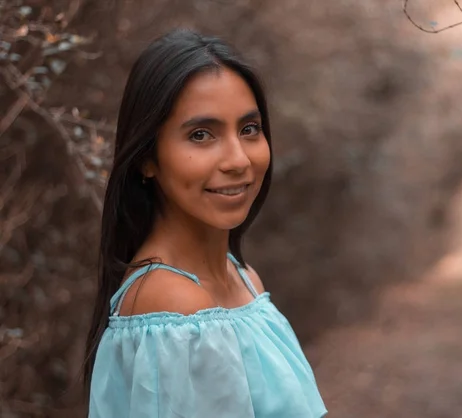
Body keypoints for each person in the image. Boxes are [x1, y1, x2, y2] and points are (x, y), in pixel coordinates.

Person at [83, 28, 327, 418]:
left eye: (249, 129)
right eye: (201, 134)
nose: (238, 160)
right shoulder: (173, 309)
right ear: (147, 158)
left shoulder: (245, 280)